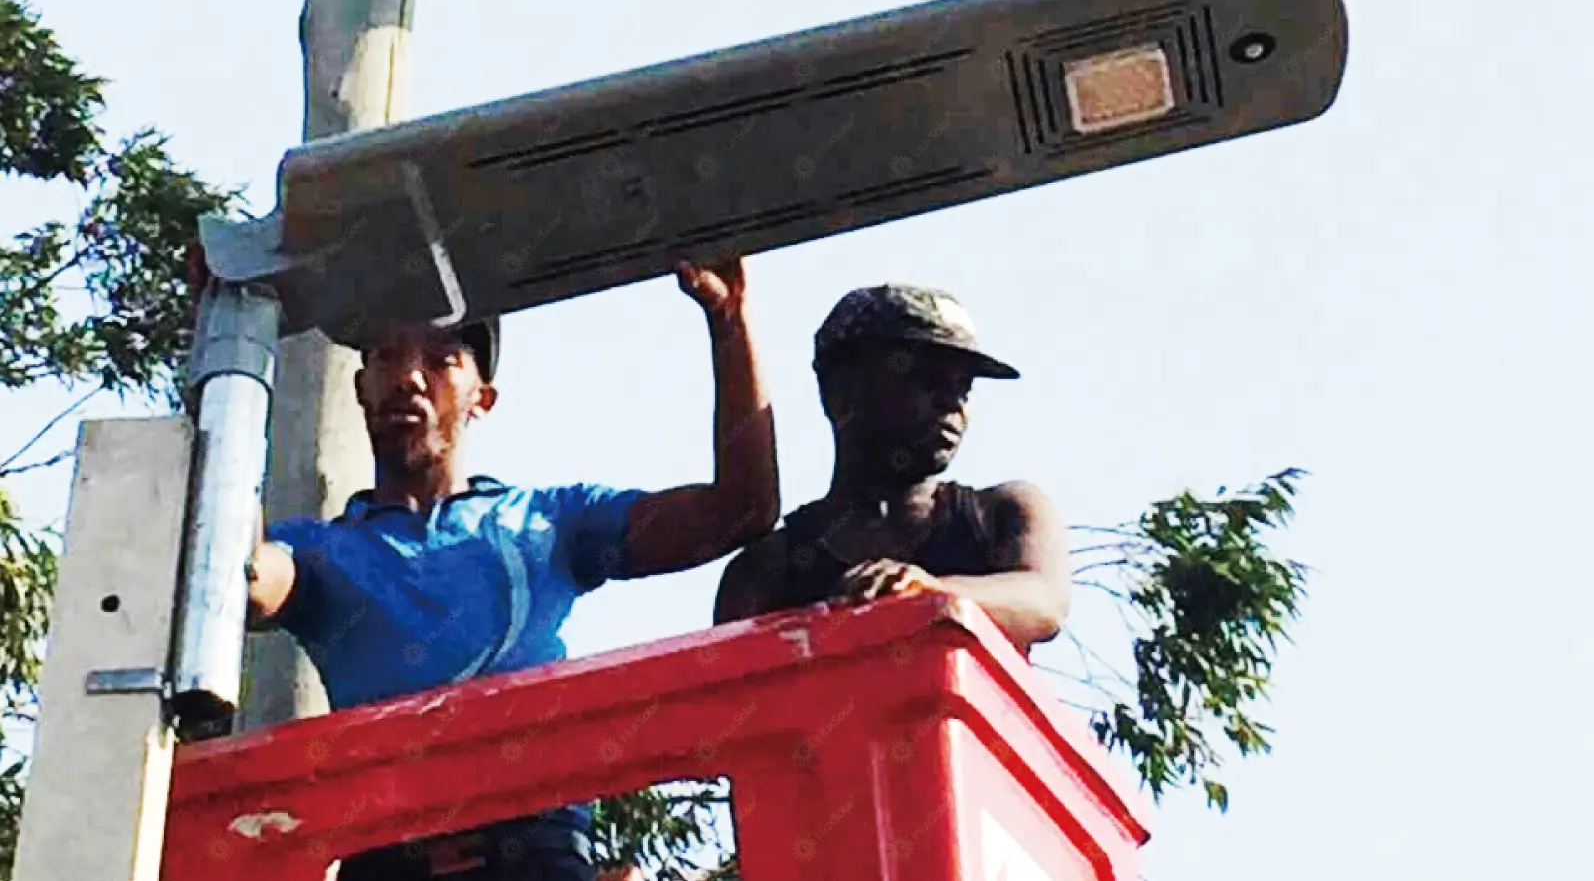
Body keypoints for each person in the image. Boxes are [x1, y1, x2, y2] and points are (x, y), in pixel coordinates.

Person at [204, 251, 779, 881]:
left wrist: (731, 322)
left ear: (484, 397)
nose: (410, 378)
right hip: (390, 858)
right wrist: (224, 364)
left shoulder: (550, 523)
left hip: (536, 854)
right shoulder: (320, 553)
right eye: (388, 358)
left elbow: (740, 511)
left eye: (441, 358)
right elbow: (247, 580)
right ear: (360, 388)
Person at [712, 283, 1071, 655]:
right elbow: (730, 690)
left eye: (963, 386)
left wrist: (932, 593)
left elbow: (1043, 601)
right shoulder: (767, 570)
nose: (953, 402)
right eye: (927, 378)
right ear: (842, 392)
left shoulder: (1001, 514)